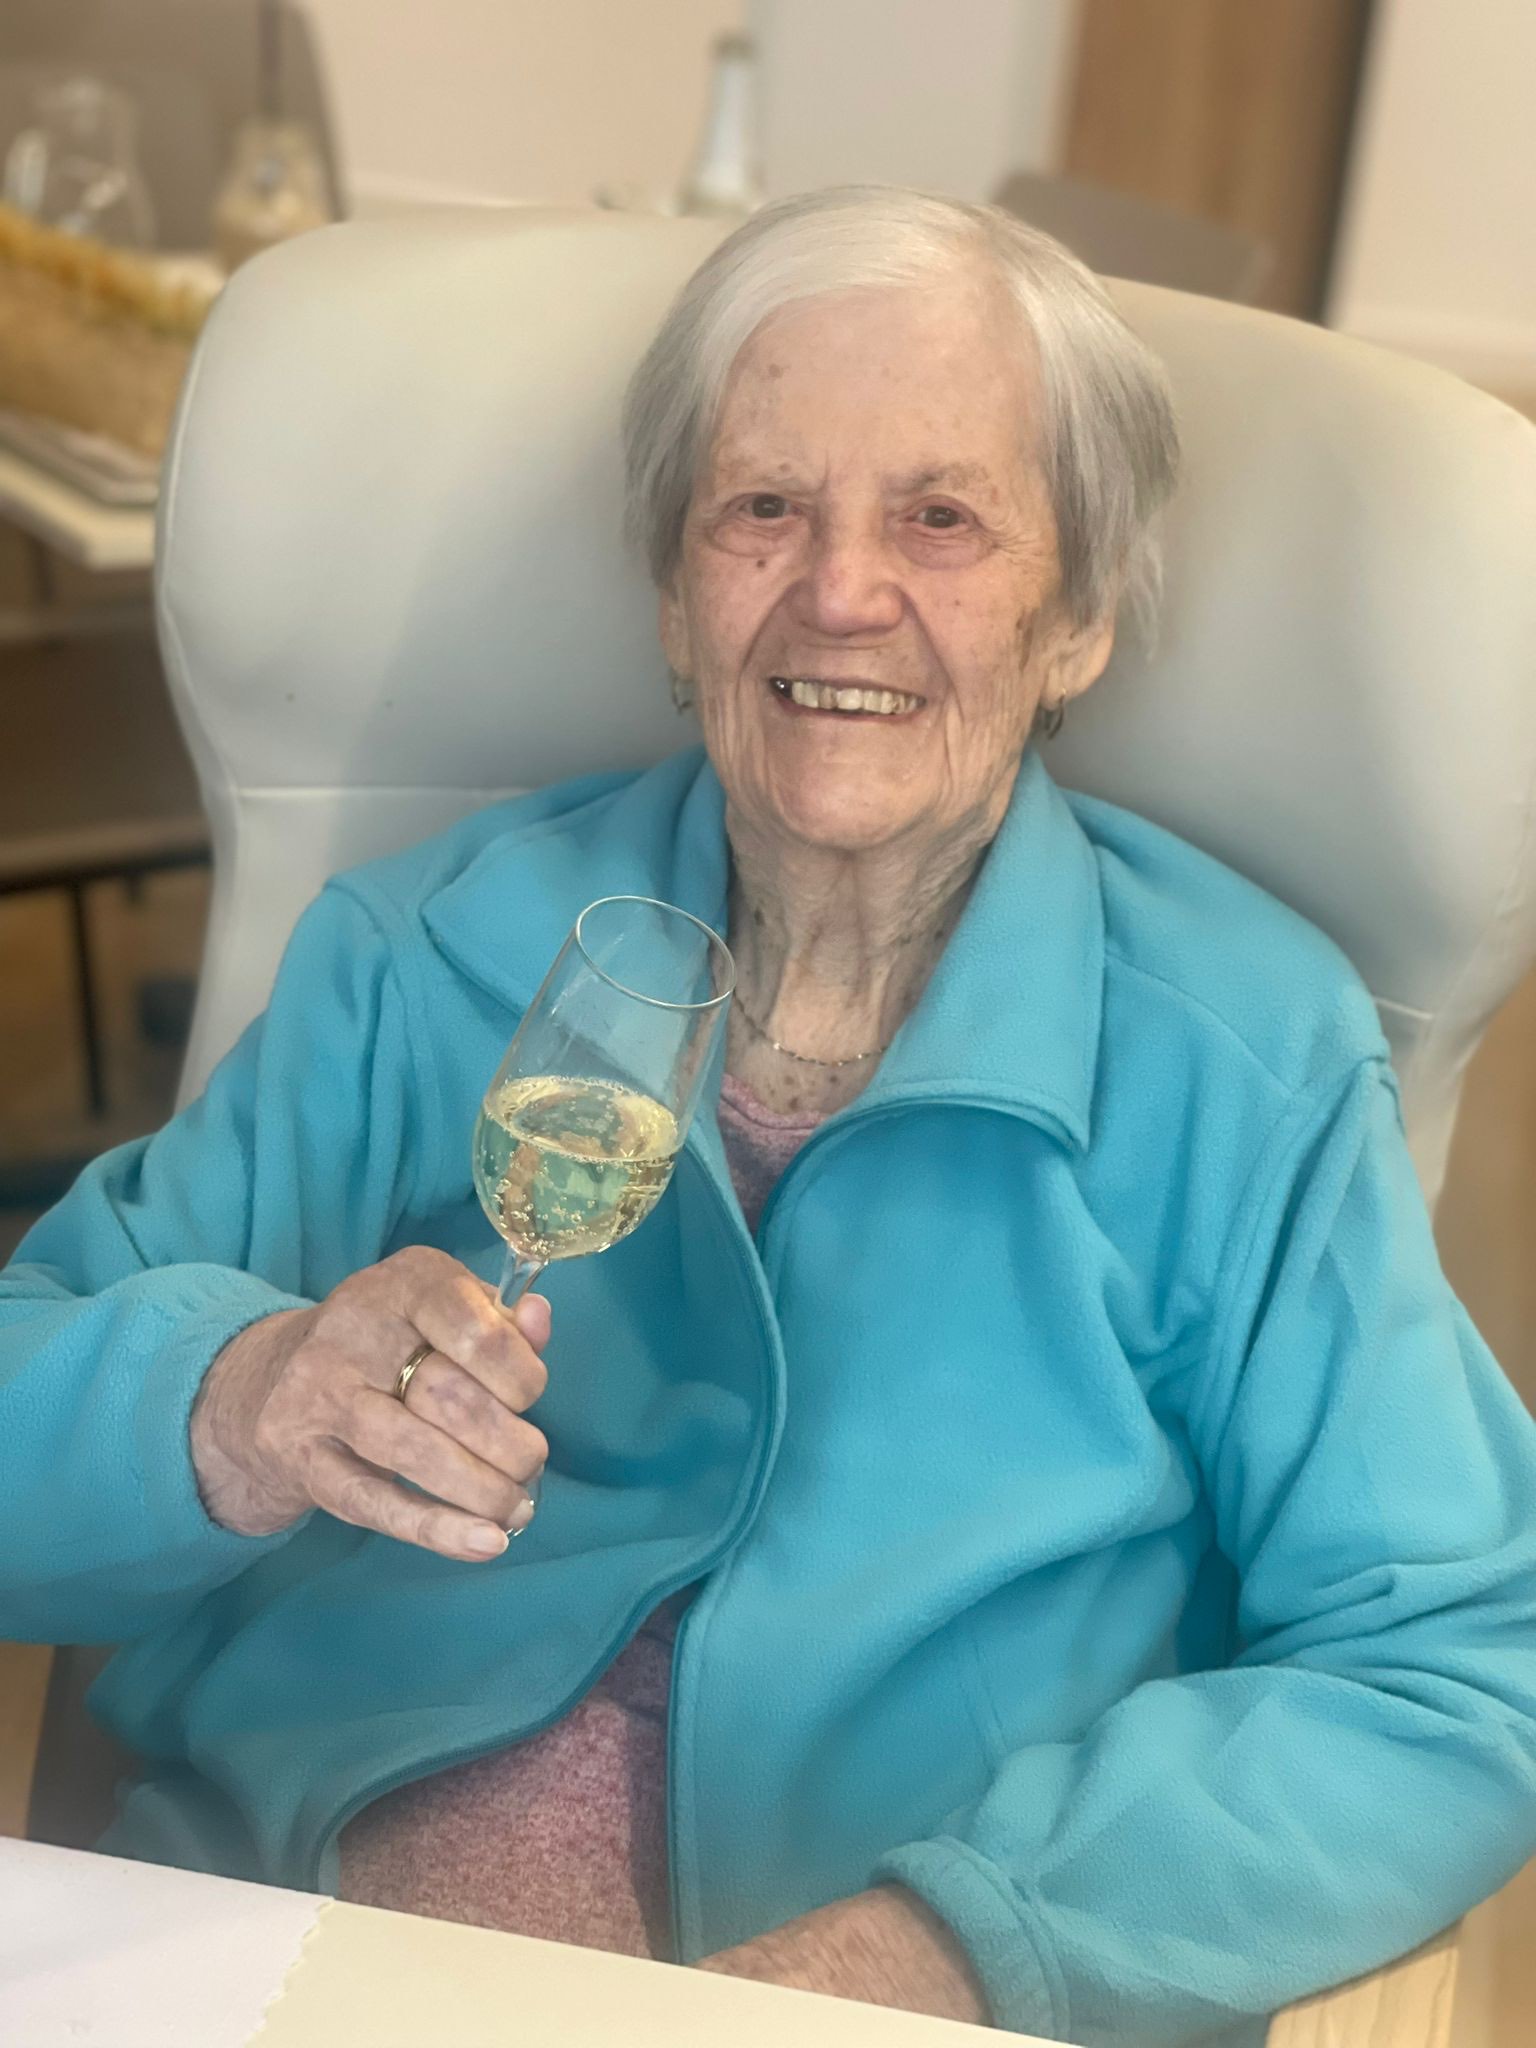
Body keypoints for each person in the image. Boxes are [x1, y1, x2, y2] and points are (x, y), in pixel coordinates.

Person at [4, 187, 1536, 2048]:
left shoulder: (1241, 1064)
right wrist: (241, 1402)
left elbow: (1459, 1663)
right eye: (762, 508)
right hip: (301, 1960)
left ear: (1077, 620)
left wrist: (945, 1953)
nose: (840, 592)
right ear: (675, 594)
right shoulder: (435, 952)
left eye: (942, 517)